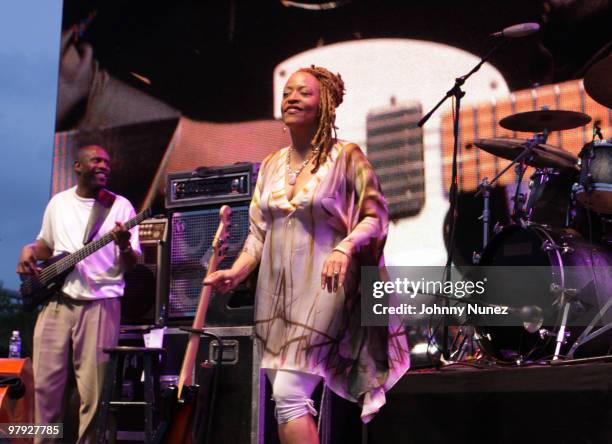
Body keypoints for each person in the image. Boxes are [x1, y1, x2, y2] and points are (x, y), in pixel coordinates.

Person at [205, 66, 410, 444]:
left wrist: (344, 247)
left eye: (304, 92)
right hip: (275, 299)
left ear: (325, 103)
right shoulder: (269, 165)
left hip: (325, 288)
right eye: (287, 92)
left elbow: (376, 217)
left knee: (289, 395)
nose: (292, 98)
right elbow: (257, 235)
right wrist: (235, 272)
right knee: (285, 401)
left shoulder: (346, 157)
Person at [16, 144, 141, 443]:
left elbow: (132, 263)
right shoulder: (58, 203)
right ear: (77, 166)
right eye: (96, 160)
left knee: (94, 396)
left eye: (107, 162)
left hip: (100, 305)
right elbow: (46, 246)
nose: (103, 166)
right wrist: (28, 249)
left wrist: (123, 244)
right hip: (57, 303)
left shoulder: (121, 207)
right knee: (44, 392)